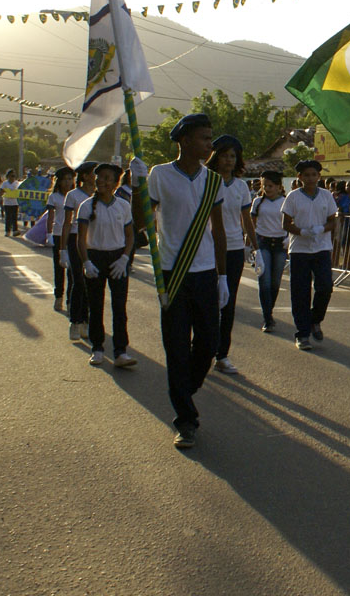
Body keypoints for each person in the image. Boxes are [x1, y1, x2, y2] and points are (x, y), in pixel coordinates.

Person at [134, 113, 228, 450]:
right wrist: (136, 186)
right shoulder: (159, 175)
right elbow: (142, 220)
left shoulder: (213, 181)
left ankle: (183, 388)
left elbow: (218, 231)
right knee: (176, 346)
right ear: (185, 141)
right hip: (172, 273)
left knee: (207, 344)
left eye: (210, 137)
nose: (210, 144)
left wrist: (222, 276)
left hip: (204, 273)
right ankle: (185, 420)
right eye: (204, 138)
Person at [77, 163, 136, 368]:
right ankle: (98, 348)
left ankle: (120, 351)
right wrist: (86, 262)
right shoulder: (86, 206)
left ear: (114, 183)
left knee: (119, 306)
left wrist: (124, 258)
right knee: (96, 304)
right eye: (99, 177)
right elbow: (81, 238)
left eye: (106, 178)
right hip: (95, 257)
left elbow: (130, 236)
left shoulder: (123, 206)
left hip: (117, 258)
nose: (101, 181)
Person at [206, 135, 254, 375]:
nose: (229, 160)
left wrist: (255, 247)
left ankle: (222, 354)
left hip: (233, 250)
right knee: (207, 302)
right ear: (215, 157)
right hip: (206, 249)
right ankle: (203, 349)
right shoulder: (206, 181)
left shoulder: (240, 186)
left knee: (228, 302)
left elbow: (246, 219)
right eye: (224, 155)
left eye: (233, 156)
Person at [281, 159, 337, 351]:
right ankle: (302, 334)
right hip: (299, 250)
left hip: (321, 247)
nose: (311, 178)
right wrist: (301, 231)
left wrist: (321, 229)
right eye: (307, 175)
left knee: (325, 287)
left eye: (314, 174)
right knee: (300, 292)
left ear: (319, 176)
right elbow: (286, 223)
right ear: (300, 177)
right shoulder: (293, 197)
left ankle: (315, 319)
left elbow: (333, 221)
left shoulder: (326, 196)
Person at [63, 162, 97, 341]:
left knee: (90, 283)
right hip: (76, 239)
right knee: (78, 281)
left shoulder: (100, 194)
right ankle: (75, 322)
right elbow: (67, 223)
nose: (96, 176)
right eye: (93, 173)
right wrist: (62, 249)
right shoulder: (73, 195)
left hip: (94, 241)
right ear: (84, 176)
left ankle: (86, 321)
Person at [251, 171, 287, 333]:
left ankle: (269, 310)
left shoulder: (285, 202)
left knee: (275, 282)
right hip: (263, 243)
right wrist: (250, 245)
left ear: (279, 187)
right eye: (265, 185)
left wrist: (288, 237)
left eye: (271, 186)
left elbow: (292, 221)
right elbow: (251, 223)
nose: (267, 188)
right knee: (264, 281)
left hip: (280, 244)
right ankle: (267, 318)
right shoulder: (258, 202)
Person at [46, 167, 76, 312]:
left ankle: (71, 300)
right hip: (58, 234)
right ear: (59, 181)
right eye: (65, 179)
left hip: (72, 234)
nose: (68, 182)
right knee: (59, 268)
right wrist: (49, 233)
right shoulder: (54, 197)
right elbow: (51, 216)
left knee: (72, 269)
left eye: (70, 179)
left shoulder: (76, 196)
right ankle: (59, 297)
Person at [1, 170, 21, 236]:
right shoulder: (5, 183)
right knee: (8, 217)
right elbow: (1, 191)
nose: (13, 177)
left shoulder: (17, 183)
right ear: (8, 176)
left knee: (14, 217)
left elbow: (21, 192)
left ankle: (15, 230)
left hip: (15, 202)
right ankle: (7, 231)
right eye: (11, 176)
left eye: (14, 176)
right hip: (7, 202)